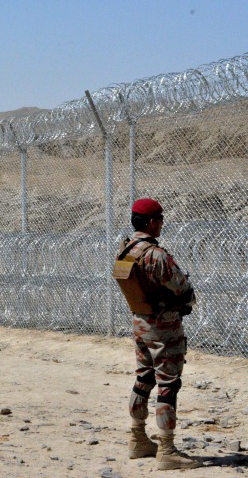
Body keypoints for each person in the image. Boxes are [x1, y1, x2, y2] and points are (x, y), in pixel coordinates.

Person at [115, 198, 201, 470]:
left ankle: (138, 439)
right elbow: (181, 287)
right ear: (151, 222)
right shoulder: (155, 254)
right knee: (168, 383)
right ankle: (167, 450)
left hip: (140, 323)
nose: (162, 223)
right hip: (163, 327)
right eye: (160, 219)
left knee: (143, 378)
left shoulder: (126, 250)